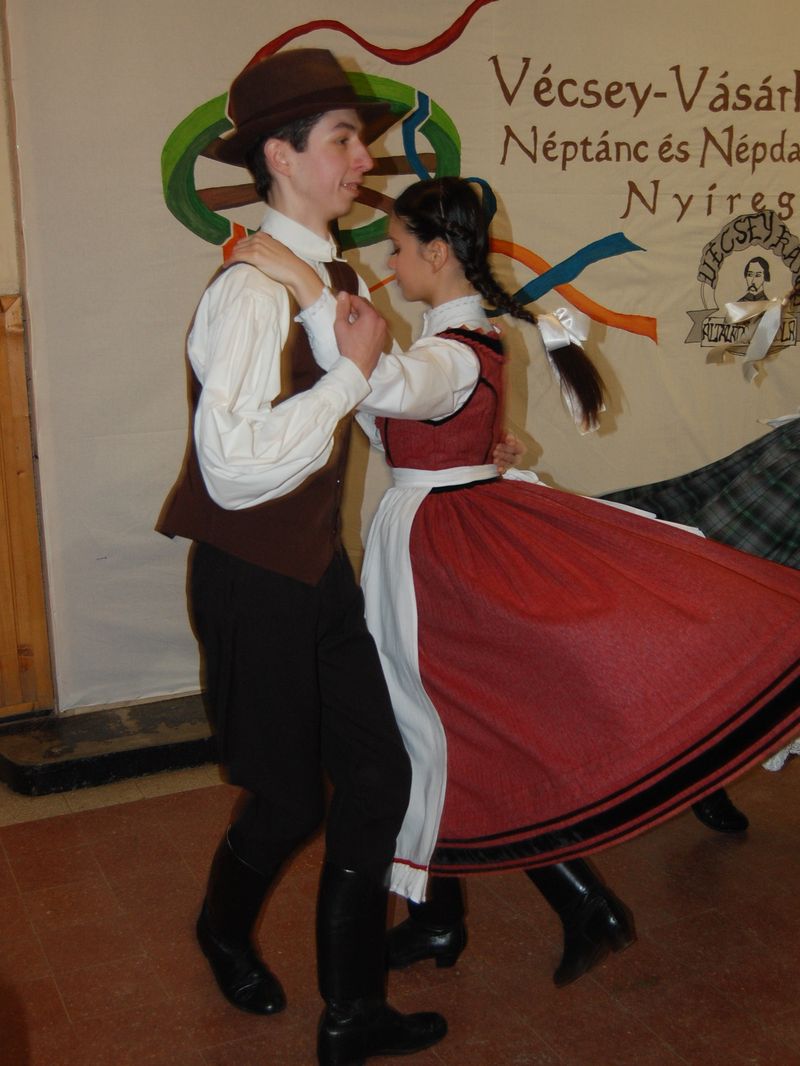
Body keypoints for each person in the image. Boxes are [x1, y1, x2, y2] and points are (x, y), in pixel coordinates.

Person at [230, 176, 800, 992]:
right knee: (436, 731)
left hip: (436, 552)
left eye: (399, 248)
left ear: (437, 253)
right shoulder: (460, 340)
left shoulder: (455, 349)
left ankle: (539, 905)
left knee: (429, 731)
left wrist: (308, 288)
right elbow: (388, 414)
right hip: (434, 536)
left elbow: (387, 388)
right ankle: (474, 912)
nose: (390, 263)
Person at [157, 48, 450, 1066]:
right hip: (250, 575)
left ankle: (351, 1011)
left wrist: (462, 441)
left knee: (376, 773)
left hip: (315, 570)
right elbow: (235, 468)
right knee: (287, 800)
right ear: (279, 156)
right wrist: (349, 378)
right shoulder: (250, 292)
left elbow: (377, 398)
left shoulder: (334, 277)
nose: (362, 160)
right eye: (341, 141)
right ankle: (221, 929)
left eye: (357, 141)